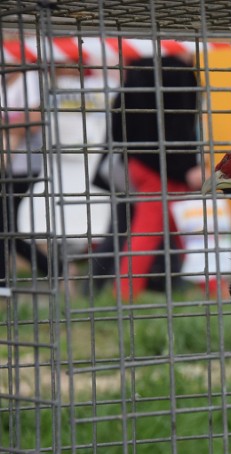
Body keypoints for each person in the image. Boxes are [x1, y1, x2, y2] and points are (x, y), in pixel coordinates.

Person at [94, 55, 203, 301]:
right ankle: (122, 294)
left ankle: (119, 293)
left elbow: (118, 124)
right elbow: (179, 127)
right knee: (190, 230)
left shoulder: (137, 73)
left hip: (140, 164)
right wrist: (187, 167)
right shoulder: (176, 74)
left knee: (186, 230)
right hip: (166, 170)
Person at [0, 69, 53, 287]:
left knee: (4, 227)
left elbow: (35, 116)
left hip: (23, 166)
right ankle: (54, 269)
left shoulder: (28, 76)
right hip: (7, 165)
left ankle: (53, 269)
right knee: (6, 228)